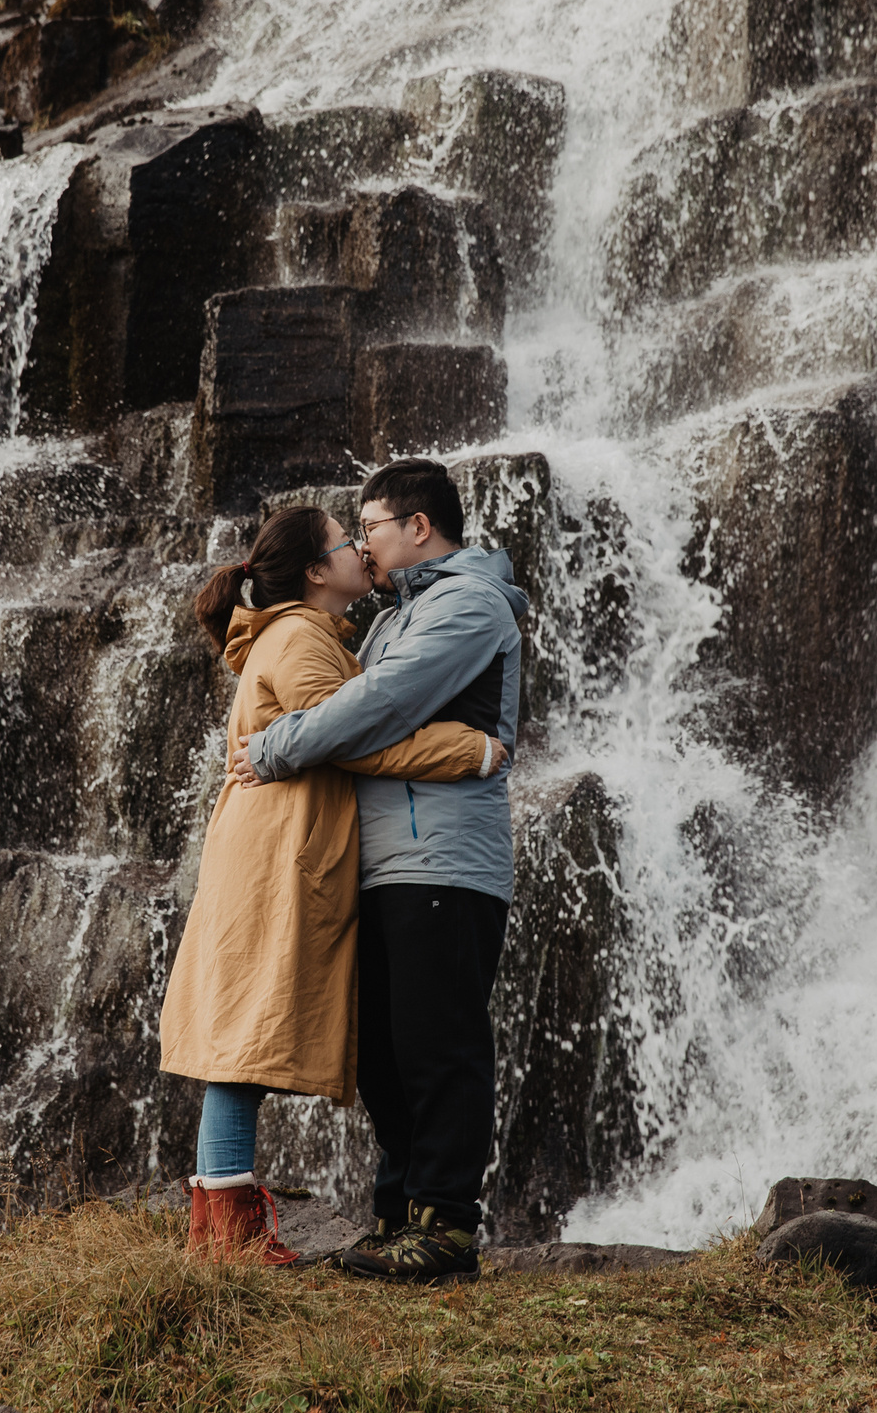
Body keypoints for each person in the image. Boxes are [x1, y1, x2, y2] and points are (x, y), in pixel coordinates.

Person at [158, 503, 512, 1264]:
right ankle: (231, 1237)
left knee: (239, 1046)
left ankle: (222, 1231)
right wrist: (467, 749)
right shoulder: (301, 637)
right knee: (240, 1052)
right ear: (318, 570)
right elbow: (354, 739)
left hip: (271, 849)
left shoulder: (312, 633)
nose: (361, 548)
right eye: (348, 540)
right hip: (276, 853)